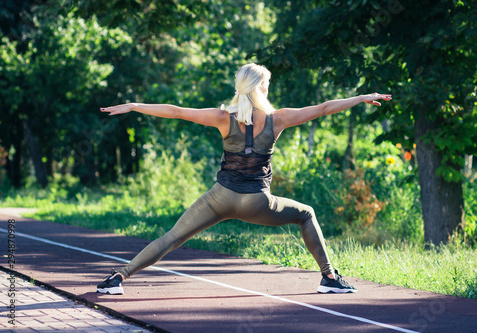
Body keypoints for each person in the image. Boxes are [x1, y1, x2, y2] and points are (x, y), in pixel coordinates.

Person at [97, 63, 391, 295]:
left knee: (173, 237)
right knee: (306, 214)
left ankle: (118, 277)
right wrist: (361, 98)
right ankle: (329, 278)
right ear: (261, 87)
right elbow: (325, 107)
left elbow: (175, 112)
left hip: (219, 198)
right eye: (267, 84)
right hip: (257, 202)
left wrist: (134, 105)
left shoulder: (223, 117)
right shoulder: (279, 119)